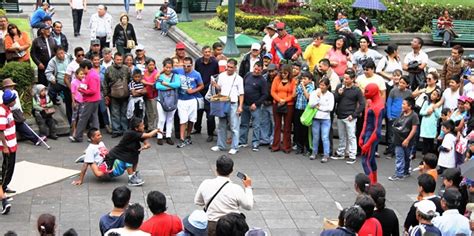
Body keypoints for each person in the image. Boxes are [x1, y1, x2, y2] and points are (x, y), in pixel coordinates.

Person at [194, 155, 253, 236]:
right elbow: (248, 206)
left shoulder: (206, 183)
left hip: (211, 225)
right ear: (231, 171)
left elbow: (198, 202)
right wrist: (248, 187)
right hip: (231, 227)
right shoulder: (236, 188)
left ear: (216, 169)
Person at [104, 117, 160, 186]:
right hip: (114, 158)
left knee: (134, 157)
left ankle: (133, 174)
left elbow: (146, 142)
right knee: (129, 160)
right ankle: (131, 179)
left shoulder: (138, 133)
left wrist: (146, 146)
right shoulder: (130, 133)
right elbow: (149, 135)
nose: (144, 126)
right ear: (136, 128)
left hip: (127, 154)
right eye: (142, 125)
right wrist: (156, 130)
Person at [210, 59, 244, 155]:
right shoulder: (221, 76)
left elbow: (241, 94)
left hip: (233, 103)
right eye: (227, 67)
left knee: (234, 126)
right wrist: (216, 85)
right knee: (221, 125)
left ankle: (234, 147)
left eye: (231, 67)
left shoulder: (239, 79)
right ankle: (221, 145)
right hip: (223, 102)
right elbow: (220, 88)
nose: (228, 69)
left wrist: (240, 106)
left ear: (235, 68)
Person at [333, 69, 365, 164]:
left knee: (351, 136)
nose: (345, 80)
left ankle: (352, 155)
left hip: (350, 116)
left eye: (347, 79)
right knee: (342, 136)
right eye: (344, 78)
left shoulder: (357, 90)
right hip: (340, 115)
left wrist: (354, 115)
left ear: (352, 79)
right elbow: (335, 99)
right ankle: (341, 152)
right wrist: (338, 94)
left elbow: (362, 104)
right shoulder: (340, 87)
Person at [174, 57, 204, 148]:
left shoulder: (196, 74)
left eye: (188, 66)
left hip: (192, 99)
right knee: (183, 119)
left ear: (192, 65)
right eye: (184, 65)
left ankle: (188, 135)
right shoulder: (178, 71)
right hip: (181, 99)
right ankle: (182, 138)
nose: (186, 67)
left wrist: (194, 90)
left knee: (191, 119)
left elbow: (201, 85)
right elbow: (168, 70)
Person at [70, 60, 101, 142]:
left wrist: (82, 91)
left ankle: (78, 136)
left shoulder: (91, 76)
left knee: (83, 118)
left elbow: (92, 90)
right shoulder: (92, 74)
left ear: (86, 68)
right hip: (95, 99)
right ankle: (96, 136)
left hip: (90, 99)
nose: (82, 71)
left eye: (83, 69)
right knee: (94, 118)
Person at [239, 62, 268, 152]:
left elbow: (265, 94)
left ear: (261, 70)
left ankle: (255, 142)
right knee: (244, 123)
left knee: (256, 125)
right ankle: (242, 141)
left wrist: (256, 103)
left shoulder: (262, 80)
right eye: (255, 69)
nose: (256, 71)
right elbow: (242, 87)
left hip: (255, 106)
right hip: (245, 104)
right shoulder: (248, 75)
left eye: (258, 70)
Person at [359, 83, 385, 184]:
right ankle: (374, 183)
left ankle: (370, 186)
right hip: (368, 134)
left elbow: (377, 130)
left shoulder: (378, 106)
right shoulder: (370, 102)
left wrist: (367, 144)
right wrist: (362, 135)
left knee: (366, 161)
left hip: (372, 135)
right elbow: (366, 120)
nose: (364, 94)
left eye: (366, 91)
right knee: (371, 159)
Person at [388, 97, 419, 181]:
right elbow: (397, 123)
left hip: (408, 140)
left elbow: (414, 129)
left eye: (404, 104)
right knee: (399, 156)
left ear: (410, 106)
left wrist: (407, 140)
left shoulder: (414, 116)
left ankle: (405, 171)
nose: (402, 105)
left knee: (407, 157)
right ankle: (399, 173)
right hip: (398, 139)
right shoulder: (402, 113)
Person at [194, 45, 219, 142]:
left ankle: (210, 133)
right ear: (202, 53)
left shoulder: (214, 63)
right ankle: (197, 128)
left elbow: (216, 75)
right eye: (206, 52)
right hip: (200, 90)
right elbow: (196, 74)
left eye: (209, 52)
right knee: (198, 112)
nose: (207, 54)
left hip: (210, 91)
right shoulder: (198, 62)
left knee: (210, 115)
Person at [104, 53, 131, 138]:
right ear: (114, 59)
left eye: (120, 60)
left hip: (125, 95)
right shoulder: (109, 69)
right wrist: (106, 94)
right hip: (113, 95)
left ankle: (125, 130)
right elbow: (105, 83)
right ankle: (116, 130)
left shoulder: (127, 69)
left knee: (124, 113)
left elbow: (130, 80)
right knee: (114, 113)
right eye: (117, 59)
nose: (119, 61)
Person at [270, 64, 296, 154]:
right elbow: (272, 91)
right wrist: (279, 100)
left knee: (287, 126)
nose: (283, 75)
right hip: (277, 104)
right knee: (277, 125)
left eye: (285, 73)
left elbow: (293, 94)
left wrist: (285, 100)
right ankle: (275, 145)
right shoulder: (277, 79)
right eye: (282, 73)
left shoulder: (293, 81)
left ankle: (286, 146)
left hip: (289, 105)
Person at [385, 77, 413, 159]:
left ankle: (398, 152)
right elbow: (389, 103)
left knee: (401, 134)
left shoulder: (409, 93)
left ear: (407, 85)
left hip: (403, 117)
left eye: (403, 83)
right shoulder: (393, 91)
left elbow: (410, 105)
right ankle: (391, 151)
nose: (401, 84)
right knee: (391, 134)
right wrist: (389, 115)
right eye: (400, 82)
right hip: (393, 116)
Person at [155, 58, 180, 145]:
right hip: (161, 100)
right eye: (166, 67)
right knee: (161, 119)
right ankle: (159, 136)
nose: (168, 69)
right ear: (163, 67)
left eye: (170, 67)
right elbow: (158, 86)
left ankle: (168, 136)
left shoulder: (176, 76)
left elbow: (177, 84)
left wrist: (165, 84)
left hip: (172, 100)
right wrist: (170, 87)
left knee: (170, 119)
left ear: (172, 67)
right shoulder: (160, 76)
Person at [308, 78, 334, 162]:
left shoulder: (330, 95)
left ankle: (326, 154)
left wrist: (319, 107)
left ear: (327, 86)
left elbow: (330, 108)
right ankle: (314, 152)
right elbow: (311, 104)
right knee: (315, 136)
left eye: (323, 85)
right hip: (316, 118)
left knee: (325, 137)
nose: (321, 87)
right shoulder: (315, 93)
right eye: (320, 85)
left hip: (326, 119)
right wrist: (318, 98)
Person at [45, 46, 72, 120]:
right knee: (50, 92)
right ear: (55, 54)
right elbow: (48, 72)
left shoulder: (69, 57)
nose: (61, 55)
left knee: (69, 101)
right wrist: (52, 78)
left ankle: (70, 119)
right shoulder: (53, 61)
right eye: (59, 54)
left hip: (68, 82)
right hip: (58, 82)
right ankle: (49, 107)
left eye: (62, 53)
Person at [0, 90, 18, 195]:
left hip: (12, 143)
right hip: (7, 145)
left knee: (10, 167)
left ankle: (4, 186)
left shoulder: (7, 109)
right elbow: (1, 130)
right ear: (10, 101)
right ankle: (1, 189)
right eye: (14, 99)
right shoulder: (2, 112)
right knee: (6, 168)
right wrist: (5, 146)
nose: (15, 100)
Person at [293, 71, 314, 155]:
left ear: (310, 80)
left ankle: (308, 148)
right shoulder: (299, 86)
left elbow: (308, 96)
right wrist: (295, 85)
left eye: (305, 79)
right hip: (298, 108)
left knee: (305, 130)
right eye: (302, 78)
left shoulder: (311, 87)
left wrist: (303, 87)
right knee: (297, 129)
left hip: (306, 111)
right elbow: (294, 95)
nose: (303, 80)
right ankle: (299, 147)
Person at [64, 47, 85, 123]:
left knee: (83, 111)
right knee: (75, 111)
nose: (81, 57)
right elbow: (66, 78)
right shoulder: (71, 65)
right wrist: (72, 88)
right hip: (75, 91)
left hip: (84, 91)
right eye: (79, 55)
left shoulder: (86, 63)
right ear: (75, 56)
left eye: (83, 55)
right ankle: (73, 128)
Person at [419, 89, 442, 156]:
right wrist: (426, 112)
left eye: (434, 94)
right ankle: (424, 155)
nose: (432, 96)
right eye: (432, 94)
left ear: (438, 97)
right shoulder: (426, 102)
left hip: (432, 126)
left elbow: (439, 116)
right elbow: (421, 112)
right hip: (425, 124)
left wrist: (435, 109)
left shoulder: (438, 105)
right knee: (425, 141)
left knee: (431, 141)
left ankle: (431, 155)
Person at [260, 64, 277, 146]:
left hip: (273, 102)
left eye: (272, 71)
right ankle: (264, 138)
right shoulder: (264, 77)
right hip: (264, 101)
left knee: (274, 122)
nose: (271, 73)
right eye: (269, 71)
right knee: (264, 122)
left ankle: (273, 139)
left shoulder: (278, 78)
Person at [142, 58, 158, 131]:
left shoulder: (156, 73)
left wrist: (147, 83)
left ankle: (154, 128)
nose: (152, 66)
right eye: (150, 65)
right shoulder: (144, 72)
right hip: (146, 95)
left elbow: (156, 83)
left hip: (154, 95)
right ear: (146, 65)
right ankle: (150, 127)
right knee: (149, 112)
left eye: (153, 65)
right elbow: (141, 80)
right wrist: (150, 83)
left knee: (155, 112)